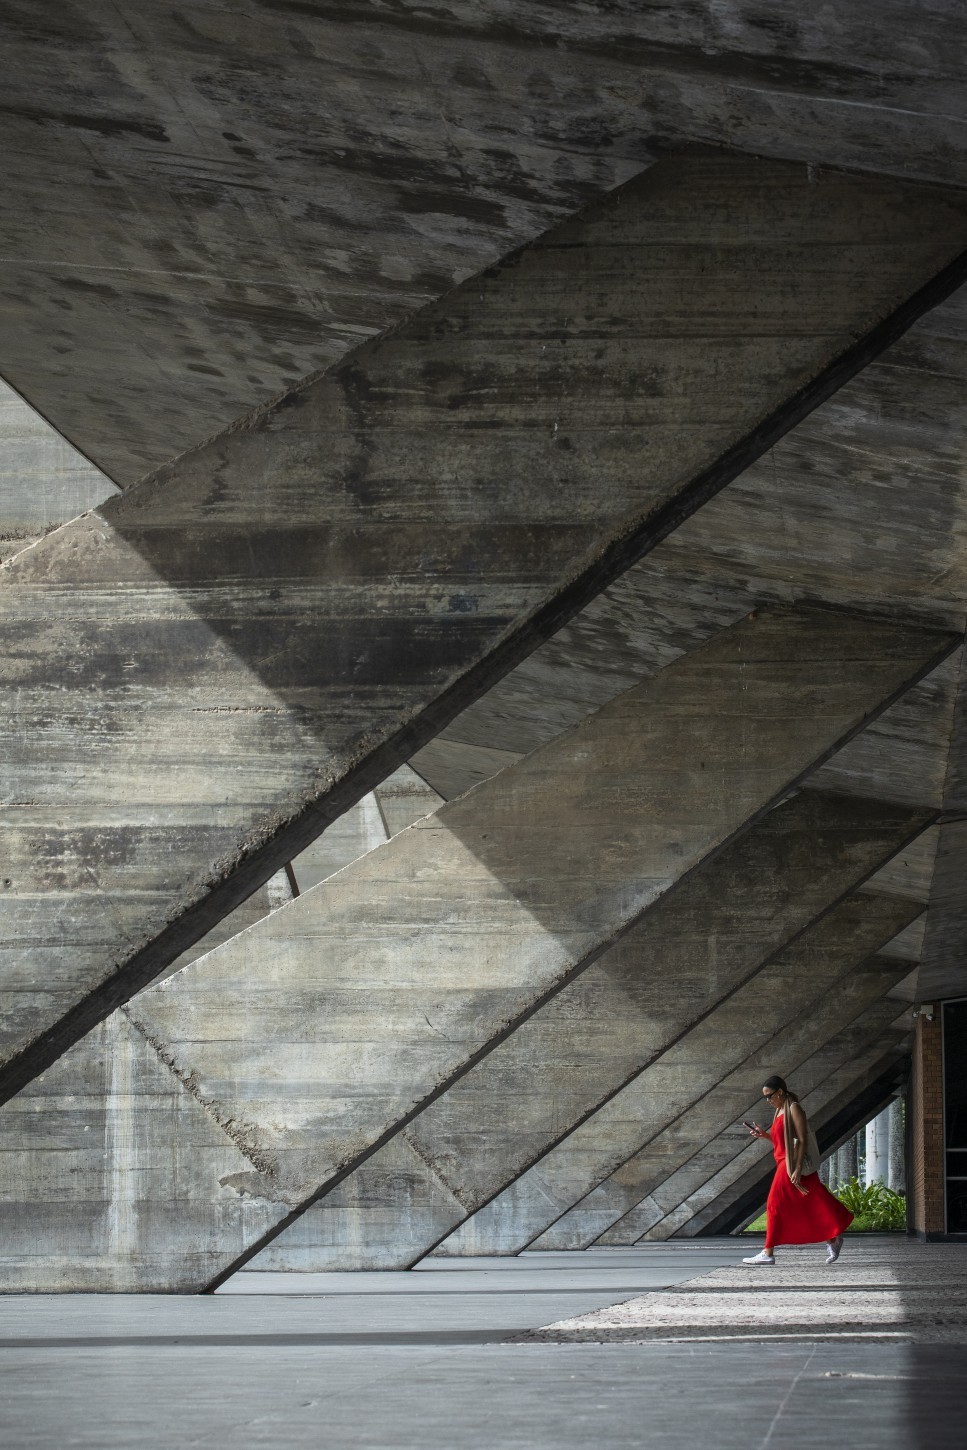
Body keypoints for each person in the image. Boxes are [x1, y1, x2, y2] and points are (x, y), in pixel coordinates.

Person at [741, 1075, 853, 1265]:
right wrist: (765, 1136)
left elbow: (802, 1140)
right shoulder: (778, 1111)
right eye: (765, 1097)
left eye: (770, 1096)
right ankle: (833, 1238)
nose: (768, 1100)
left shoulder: (794, 1108)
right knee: (813, 1200)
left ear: (781, 1092)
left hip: (791, 1163)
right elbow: (782, 1142)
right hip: (782, 1160)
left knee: (774, 1203)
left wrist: (798, 1168)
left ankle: (768, 1253)